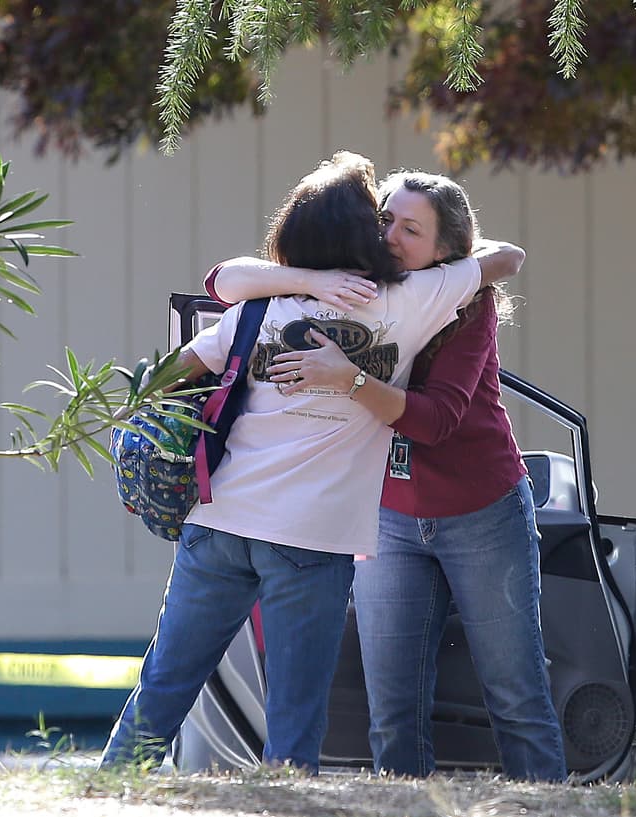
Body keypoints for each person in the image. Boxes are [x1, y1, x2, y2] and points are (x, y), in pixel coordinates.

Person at [100, 153, 524, 772]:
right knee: (294, 720)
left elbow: (176, 363)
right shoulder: (406, 300)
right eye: (378, 219)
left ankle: (109, 792)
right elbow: (504, 260)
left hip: (218, 522)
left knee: (163, 687)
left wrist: (299, 282)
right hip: (310, 539)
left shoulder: (256, 307)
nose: (387, 233)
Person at [209, 170, 567, 781]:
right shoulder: (352, 285)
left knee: (516, 696)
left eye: (411, 229)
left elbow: (435, 421)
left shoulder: (465, 304)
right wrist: (310, 278)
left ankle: (546, 800)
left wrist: (345, 377)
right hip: (388, 517)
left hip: (481, 511)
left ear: (445, 252)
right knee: (393, 710)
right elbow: (222, 282)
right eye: (385, 220)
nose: (392, 237)